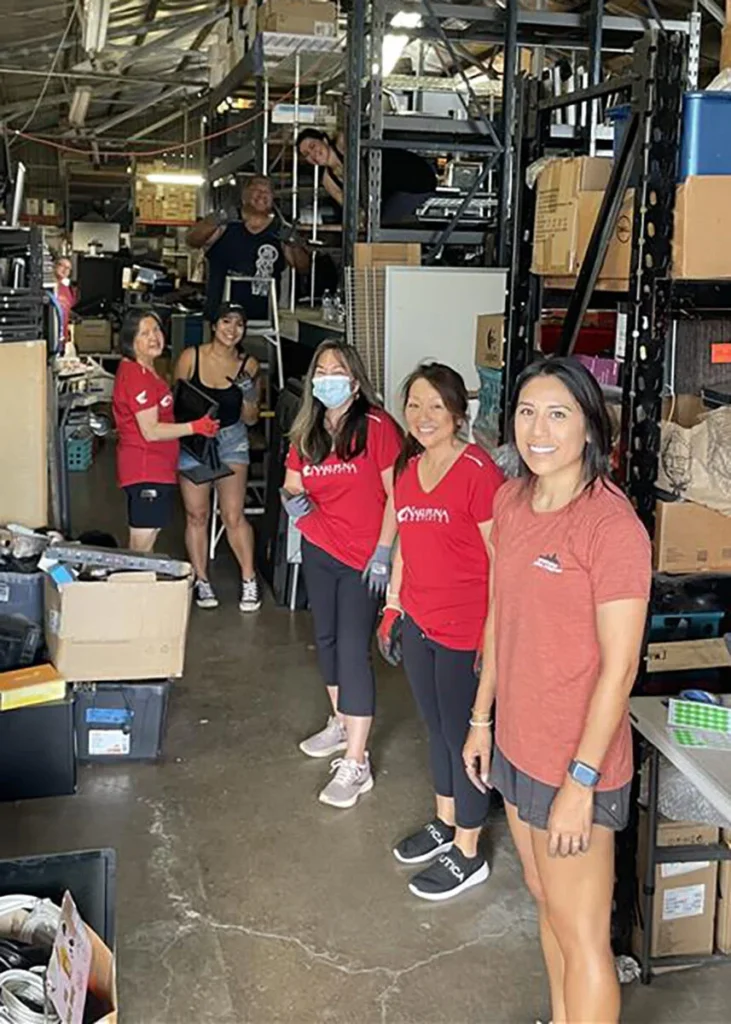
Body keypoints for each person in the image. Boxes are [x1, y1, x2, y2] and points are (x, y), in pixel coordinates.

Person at [463, 356, 651, 1024]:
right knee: (546, 902)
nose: (536, 430)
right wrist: (480, 719)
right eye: (524, 412)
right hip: (517, 745)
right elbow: (499, 616)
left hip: (577, 763)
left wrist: (579, 781)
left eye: (557, 414)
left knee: (582, 938)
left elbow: (619, 668)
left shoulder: (609, 527)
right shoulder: (510, 502)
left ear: (590, 430)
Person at [377, 363, 503, 902]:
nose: (423, 417)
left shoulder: (478, 472)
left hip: (465, 630)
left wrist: (491, 637)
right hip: (421, 622)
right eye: (413, 405)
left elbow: (502, 561)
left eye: (434, 406)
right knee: (436, 730)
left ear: (457, 412)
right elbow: (406, 541)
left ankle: (469, 852)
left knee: (463, 738)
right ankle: (446, 820)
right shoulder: (410, 469)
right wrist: (393, 605)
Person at [282, 340, 402, 809]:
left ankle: (357, 761)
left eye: (338, 369)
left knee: (354, 649)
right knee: (327, 640)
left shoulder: (377, 427)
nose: (328, 377)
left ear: (355, 380)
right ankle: (340, 721)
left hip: (362, 559)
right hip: (318, 547)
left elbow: (397, 494)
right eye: (321, 369)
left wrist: (383, 552)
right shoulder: (307, 427)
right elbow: (293, 484)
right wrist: (294, 503)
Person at [174, 303, 262, 613]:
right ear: (214, 325)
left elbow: (251, 419)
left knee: (233, 514)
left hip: (231, 437)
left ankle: (249, 579)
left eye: (239, 324)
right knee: (196, 514)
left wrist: (249, 393)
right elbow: (178, 402)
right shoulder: (190, 357)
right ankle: (201, 579)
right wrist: (191, 430)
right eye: (226, 321)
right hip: (194, 437)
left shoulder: (248, 364)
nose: (232, 329)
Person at [112, 309, 218, 553]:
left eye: (157, 330)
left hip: (155, 467)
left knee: (146, 541)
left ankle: (139, 588)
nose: (154, 337)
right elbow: (150, 431)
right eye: (144, 333)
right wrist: (196, 427)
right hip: (145, 467)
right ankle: (134, 589)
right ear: (130, 341)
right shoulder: (138, 376)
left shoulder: (145, 370)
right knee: (141, 548)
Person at [186, 176, 309, 322]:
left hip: (262, 321)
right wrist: (216, 218)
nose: (262, 195)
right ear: (244, 195)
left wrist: (294, 243)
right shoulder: (225, 225)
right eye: (256, 190)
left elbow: (303, 268)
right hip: (221, 320)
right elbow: (192, 240)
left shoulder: (280, 231)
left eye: (267, 191)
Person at [296, 128, 437, 225]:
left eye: (312, 146)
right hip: (395, 194)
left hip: (413, 175)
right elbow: (352, 208)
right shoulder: (328, 180)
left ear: (324, 140)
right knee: (382, 226)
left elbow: (352, 121)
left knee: (384, 225)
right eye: (306, 154)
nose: (312, 154)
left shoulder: (342, 142)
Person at [53, 256, 76, 342]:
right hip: (52, 331)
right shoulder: (50, 286)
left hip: (63, 335)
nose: (65, 270)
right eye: (62, 265)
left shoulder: (69, 289)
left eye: (68, 268)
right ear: (55, 266)